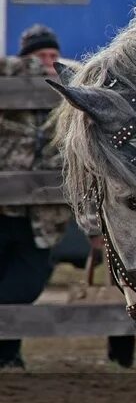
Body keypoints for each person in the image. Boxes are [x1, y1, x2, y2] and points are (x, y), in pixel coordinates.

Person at [0, 25, 71, 368]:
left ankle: (6, 355)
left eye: (54, 56)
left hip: (41, 220)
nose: (49, 62)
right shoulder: (7, 87)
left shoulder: (67, 99)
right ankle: (9, 358)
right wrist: (29, 70)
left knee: (23, 288)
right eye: (41, 55)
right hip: (3, 213)